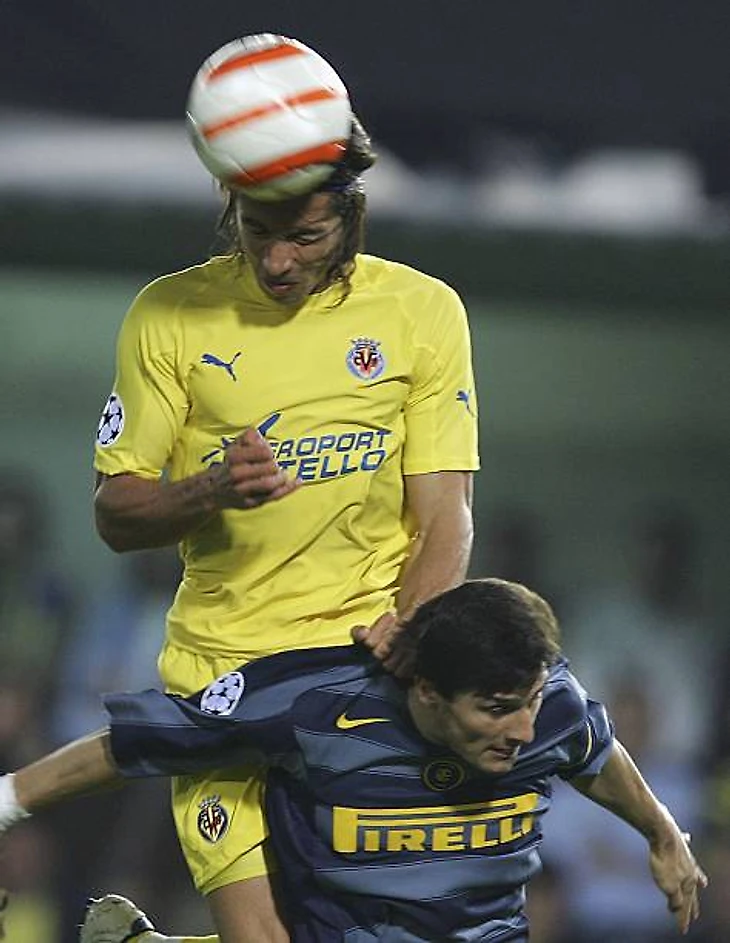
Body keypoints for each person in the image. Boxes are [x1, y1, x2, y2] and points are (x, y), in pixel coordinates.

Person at [90, 33, 479, 943]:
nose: (278, 261)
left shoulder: (422, 313)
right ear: (230, 202)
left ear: (352, 210)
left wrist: (415, 625)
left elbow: (446, 515)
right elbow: (115, 511)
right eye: (259, 232)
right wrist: (209, 489)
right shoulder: (168, 312)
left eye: (305, 234)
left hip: (362, 676)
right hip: (220, 683)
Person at [0, 579, 706, 942]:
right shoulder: (311, 701)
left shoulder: (545, 700)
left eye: (529, 701)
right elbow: (132, 743)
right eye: (496, 708)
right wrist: (6, 800)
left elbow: (594, 750)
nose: (525, 729)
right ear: (426, 692)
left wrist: (662, 833)